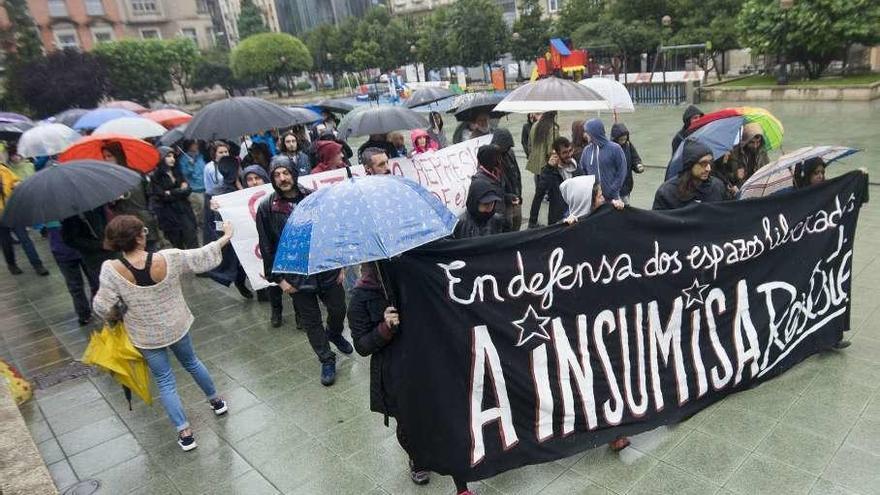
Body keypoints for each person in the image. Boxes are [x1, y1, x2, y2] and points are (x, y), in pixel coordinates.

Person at [92, 215, 232, 451]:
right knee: (192, 363)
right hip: (176, 325)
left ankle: (185, 434)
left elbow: (101, 306)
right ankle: (217, 402)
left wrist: (117, 313)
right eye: (143, 231)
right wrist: (226, 235)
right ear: (139, 237)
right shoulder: (169, 258)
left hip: (145, 334)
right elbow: (202, 256)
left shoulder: (110, 270)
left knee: (165, 381)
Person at [255, 158, 353, 386]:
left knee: (339, 309)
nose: (282, 178)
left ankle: (335, 333)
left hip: (325, 266)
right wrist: (279, 280)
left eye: (285, 173)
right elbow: (267, 246)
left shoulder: (313, 197)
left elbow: (330, 231)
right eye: (277, 174)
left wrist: (340, 264)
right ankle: (326, 358)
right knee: (311, 320)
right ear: (272, 178)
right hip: (294, 275)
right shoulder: (266, 207)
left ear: (293, 173)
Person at [348, 262, 430, 487]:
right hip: (393, 370)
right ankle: (417, 459)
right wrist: (384, 328)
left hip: (422, 359)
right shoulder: (359, 299)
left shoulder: (410, 280)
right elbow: (362, 346)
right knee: (406, 418)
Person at [102, 142, 161, 251]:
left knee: (152, 254)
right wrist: (113, 201)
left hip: (144, 220)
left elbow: (151, 195)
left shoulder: (137, 174)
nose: (106, 159)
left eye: (109, 156)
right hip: (125, 227)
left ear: (118, 156)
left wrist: (151, 213)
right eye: (104, 157)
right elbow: (110, 206)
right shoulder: (109, 180)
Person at [208, 156, 252, 300]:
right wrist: (224, 233)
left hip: (250, 228)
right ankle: (240, 282)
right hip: (232, 232)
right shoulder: (217, 193)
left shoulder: (247, 183)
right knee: (239, 262)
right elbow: (214, 222)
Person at [0, 162, 49, 276]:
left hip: (11, 210)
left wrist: (16, 185)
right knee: (7, 241)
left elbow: (15, 182)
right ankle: (15, 265)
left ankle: (36, 265)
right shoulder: (3, 169)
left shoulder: (3, 169)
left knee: (24, 239)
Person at [653, 138, 728, 210]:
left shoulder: (717, 187)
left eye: (710, 163)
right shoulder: (667, 193)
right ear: (690, 164)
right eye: (703, 163)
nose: (708, 168)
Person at [528, 136, 584, 227]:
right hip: (558, 220)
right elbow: (539, 194)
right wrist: (532, 221)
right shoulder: (551, 172)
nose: (569, 155)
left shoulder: (577, 168)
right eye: (564, 153)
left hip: (577, 217)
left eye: (570, 151)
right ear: (556, 154)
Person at [149, 147, 198, 250]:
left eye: (173, 156)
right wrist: (179, 191)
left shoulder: (177, 172)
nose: (172, 159)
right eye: (168, 156)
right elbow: (162, 195)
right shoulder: (156, 176)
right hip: (169, 215)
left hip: (184, 211)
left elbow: (188, 190)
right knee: (177, 245)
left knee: (192, 241)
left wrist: (171, 192)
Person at [46, 222, 95, 325]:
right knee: (88, 282)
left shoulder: (46, 211)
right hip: (70, 250)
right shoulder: (70, 210)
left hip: (68, 250)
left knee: (81, 285)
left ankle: (87, 313)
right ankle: (86, 313)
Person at [61, 206, 114, 290]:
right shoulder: (71, 214)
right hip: (96, 258)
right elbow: (70, 239)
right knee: (107, 290)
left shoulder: (98, 203)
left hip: (113, 252)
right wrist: (100, 245)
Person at [579, 119, 627, 207]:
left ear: (594, 132)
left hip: (613, 199)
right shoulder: (587, 151)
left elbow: (622, 171)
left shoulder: (615, 149)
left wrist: (612, 189)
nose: (585, 135)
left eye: (587, 132)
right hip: (594, 200)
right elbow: (582, 171)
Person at [453, 171, 508, 239]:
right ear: (474, 202)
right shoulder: (461, 224)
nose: (489, 207)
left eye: (492, 203)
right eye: (485, 204)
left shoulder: (496, 220)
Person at [491, 129, 523, 231]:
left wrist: (519, 194)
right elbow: (493, 186)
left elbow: (517, 174)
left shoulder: (510, 153)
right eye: (507, 146)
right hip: (502, 204)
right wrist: (507, 197)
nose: (508, 148)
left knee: (517, 223)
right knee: (507, 227)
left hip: (515, 198)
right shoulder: (491, 158)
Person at [725, 123, 770, 188]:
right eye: (752, 142)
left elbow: (767, 170)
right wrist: (735, 175)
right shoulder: (734, 153)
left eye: (758, 142)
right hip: (739, 187)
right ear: (746, 141)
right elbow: (724, 176)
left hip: (758, 185)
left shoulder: (762, 153)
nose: (755, 146)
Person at [610, 123, 645, 203]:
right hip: (615, 185)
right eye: (621, 139)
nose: (623, 141)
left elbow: (635, 157)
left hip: (627, 184)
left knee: (626, 203)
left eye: (624, 139)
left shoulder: (628, 145)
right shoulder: (611, 148)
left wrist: (638, 165)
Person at [177, 140, 206, 234]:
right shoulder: (184, 159)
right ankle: (196, 230)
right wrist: (190, 165)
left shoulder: (201, 156)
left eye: (197, 143)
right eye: (194, 143)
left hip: (204, 188)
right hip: (194, 190)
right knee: (197, 211)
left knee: (204, 211)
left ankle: (203, 228)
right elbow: (184, 174)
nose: (196, 145)